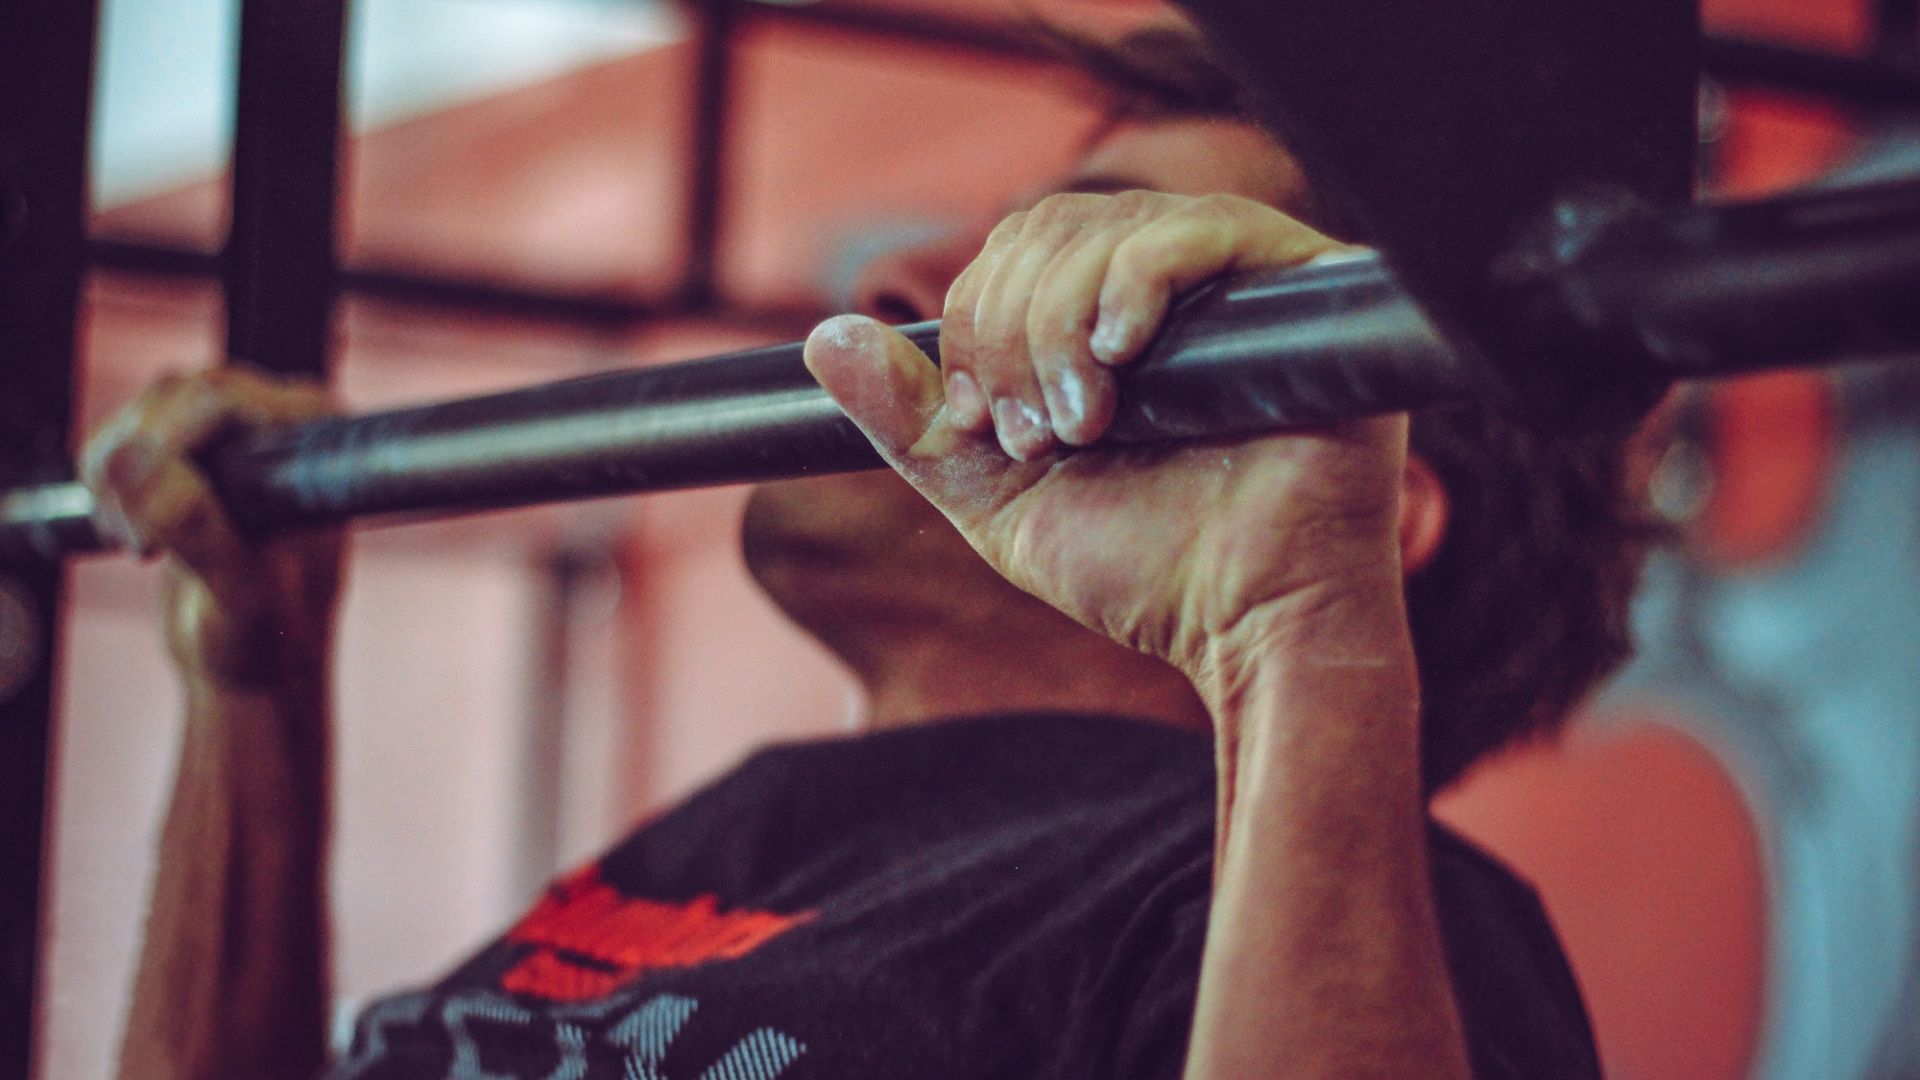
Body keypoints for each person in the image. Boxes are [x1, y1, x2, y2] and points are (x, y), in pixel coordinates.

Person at [84, 25, 1657, 1080]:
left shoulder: (1398, 931)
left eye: (1083, 257)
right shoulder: (737, 836)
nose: (908, 270)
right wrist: (258, 697)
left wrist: (1303, 631)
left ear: (1378, 502)